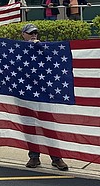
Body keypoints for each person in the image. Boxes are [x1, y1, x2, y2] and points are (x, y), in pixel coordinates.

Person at [20, 24, 69, 171]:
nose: (34, 35)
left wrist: (39, 47)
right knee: (30, 126)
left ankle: (56, 157)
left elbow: (54, 60)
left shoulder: (43, 47)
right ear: (23, 35)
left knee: (48, 126)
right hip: (26, 94)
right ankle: (34, 157)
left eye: (35, 32)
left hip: (43, 94)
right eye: (30, 33)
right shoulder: (18, 49)